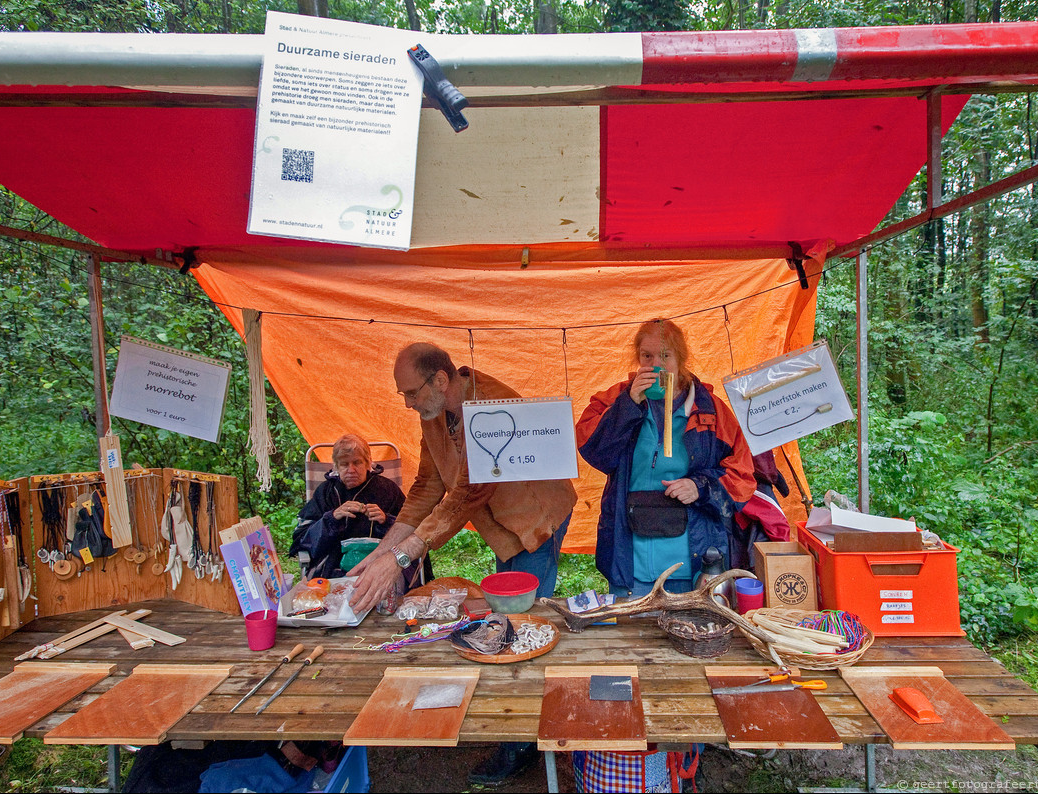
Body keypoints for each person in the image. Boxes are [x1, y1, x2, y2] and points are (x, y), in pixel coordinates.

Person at [348, 341, 577, 786]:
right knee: (508, 614)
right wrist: (381, 553)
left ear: (440, 380)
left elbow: (467, 494)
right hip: (502, 526)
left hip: (536, 520)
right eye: (404, 397)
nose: (409, 403)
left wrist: (401, 558)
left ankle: (523, 742)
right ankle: (516, 721)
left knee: (522, 620)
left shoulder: (493, 408)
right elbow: (427, 487)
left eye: (411, 393)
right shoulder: (434, 414)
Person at [575, 318, 757, 598]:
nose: (656, 364)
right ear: (637, 358)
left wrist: (700, 486)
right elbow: (595, 452)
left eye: (665, 356)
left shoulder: (709, 409)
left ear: (681, 359)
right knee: (631, 636)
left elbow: (742, 475)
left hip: (690, 558)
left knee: (687, 632)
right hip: (630, 555)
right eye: (647, 356)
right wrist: (627, 405)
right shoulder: (616, 399)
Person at [290, 433, 429, 583]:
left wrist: (386, 521)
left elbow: (415, 533)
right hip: (334, 569)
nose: (351, 470)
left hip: (382, 565)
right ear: (336, 466)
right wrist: (332, 518)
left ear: (368, 463)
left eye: (357, 463)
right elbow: (302, 538)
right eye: (344, 464)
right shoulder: (326, 492)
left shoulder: (387, 489)